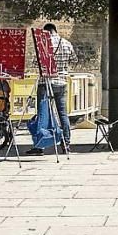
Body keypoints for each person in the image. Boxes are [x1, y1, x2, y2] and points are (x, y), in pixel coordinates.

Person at [27, 22, 75, 155]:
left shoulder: (43, 44)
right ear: (55, 30)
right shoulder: (66, 43)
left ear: (46, 32)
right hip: (61, 82)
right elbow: (74, 59)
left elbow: (35, 62)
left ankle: (40, 145)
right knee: (63, 114)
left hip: (46, 82)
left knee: (43, 114)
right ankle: (66, 145)